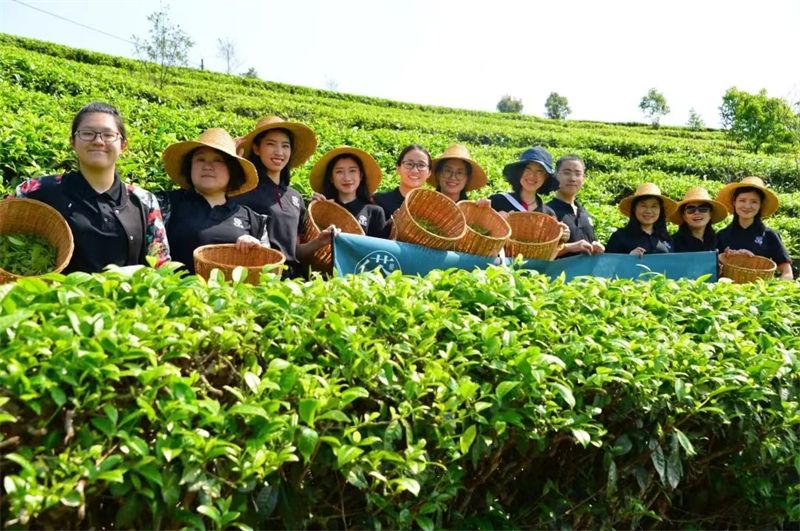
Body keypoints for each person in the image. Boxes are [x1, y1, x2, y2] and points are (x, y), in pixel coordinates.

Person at [15, 101, 170, 273]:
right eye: (87, 133)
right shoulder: (37, 190)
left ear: (123, 145)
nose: (98, 141)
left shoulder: (144, 201)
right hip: (54, 298)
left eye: (108, 135)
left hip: (125, 297)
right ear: (72, 141)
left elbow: (160, 266)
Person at [156, 128, 270, 273]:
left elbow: (267, 272)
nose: (207, 166)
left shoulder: (252, 219)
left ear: (232, 170)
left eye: (218, 160)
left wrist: (256, 250)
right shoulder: (165, 204)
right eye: (200, 159)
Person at [234, 115, 330, 277]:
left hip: (294, 278)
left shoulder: (295, 197)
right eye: (271, 144)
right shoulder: (244, 191)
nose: (279, 152)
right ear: (257, 149)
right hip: (263, 275)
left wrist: (319, 241)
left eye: (285, 146)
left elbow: (295, 252)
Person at [715, 176, 793, 280]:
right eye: (742, 200)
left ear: (760, 205)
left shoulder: (769, 235)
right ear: (734, 202)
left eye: (754, 202)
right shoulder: (722, 235)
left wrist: (774, 292)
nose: (747, 206)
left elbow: (787, 272)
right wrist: (724, 257)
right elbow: (711, 269)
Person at [309, 146, 389, 238]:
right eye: (339, 172)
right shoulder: (324, 208)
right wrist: (314, 210)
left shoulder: (374, 212)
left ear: (361, 175)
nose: (347, 178)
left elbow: (380, 249)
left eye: (352, 171)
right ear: (331, 178)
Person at [547, 155, 605, 257]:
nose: (572, 178)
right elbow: (539, 255)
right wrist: (570, 247)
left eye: (578, 174)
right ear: (555, 176)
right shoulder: (546, 212)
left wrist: (598, 247)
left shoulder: (584, 213)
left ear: (583, 179)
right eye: (567, 173)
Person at [606, 183, 677, 256]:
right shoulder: (620, 237)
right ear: (634, 209)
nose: (648, 211)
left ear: (660, 211)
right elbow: (608, 264)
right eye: (643, 206)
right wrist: (628, 258)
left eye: (654, 206)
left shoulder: (666, 238)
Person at [489, 146, 558, 216]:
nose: (532, 175)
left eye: (539, 171)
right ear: (519, 171)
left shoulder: (548, 215)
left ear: (546, 177)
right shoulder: (497, 201)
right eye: (528, 168)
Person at [374, 144, 432, 219]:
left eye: (421, 165)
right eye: (409, 164)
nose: (415, 170)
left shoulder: (433, 208)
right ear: (398, 168)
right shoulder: (378, 201)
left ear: (429, 172)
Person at [669, 186, 727, 252]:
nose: (697, 212)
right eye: (691, 209)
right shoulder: (672, 243)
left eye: (703, 209)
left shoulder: (718, 241)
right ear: (684, 216)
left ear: (710, 214)